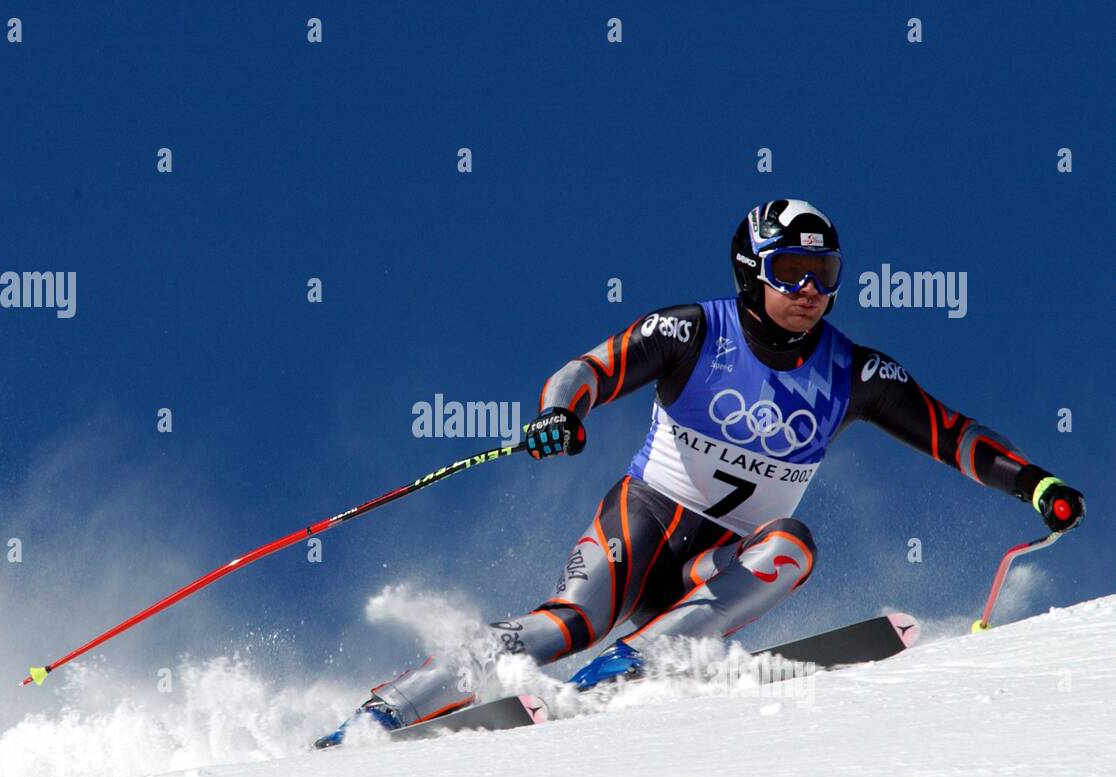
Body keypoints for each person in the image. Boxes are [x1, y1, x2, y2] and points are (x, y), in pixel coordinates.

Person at [316, 198, 1085, 748]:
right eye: (792, 272)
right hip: (646, 520)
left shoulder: (853, 371)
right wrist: (561, 412)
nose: (811, 292)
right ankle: (386, 712)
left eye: (826, 274)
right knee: (566, 622)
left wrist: (1035, 483)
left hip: (719, 570)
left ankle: (630, 666)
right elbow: (588, 370)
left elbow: (952, 432)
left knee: (792, 544)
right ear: (753, 271)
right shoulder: (695, 329)